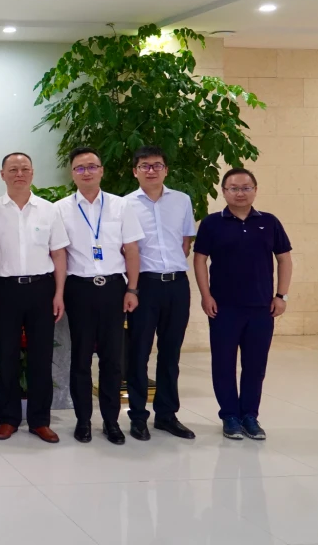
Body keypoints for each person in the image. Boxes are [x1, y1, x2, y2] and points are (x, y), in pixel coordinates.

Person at [193, 168, 292, 441]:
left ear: (255, 190)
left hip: (262, 307)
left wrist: (281, 296)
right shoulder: (212, 223)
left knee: (255, 365)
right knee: (223, 364)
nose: (240, 193)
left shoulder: (269, 222)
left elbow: (284, 258)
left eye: (246, 188)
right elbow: (200, 259)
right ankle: (230, 416)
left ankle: (250, 416)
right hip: (223, 307)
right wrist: (206, 295)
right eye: (234, 188)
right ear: (224, 192)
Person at [55, 147, 144, 445]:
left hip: (114, 288)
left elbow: (132, 250)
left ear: (101, 170)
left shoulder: (121, 206)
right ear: (72, 173)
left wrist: (132, 289)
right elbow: (59, 255)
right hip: (78, 288)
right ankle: (83, 420)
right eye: (80, 168)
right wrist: (59, 293)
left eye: (92, 166)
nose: (87, 172)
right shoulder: (60, 209)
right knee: (80, 358)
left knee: (112, 359)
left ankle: (111, 421)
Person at [0, 152, 68, 444]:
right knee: (6, 356)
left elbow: (58, 254)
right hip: (3, 289)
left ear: (32, 173)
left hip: (41, 289)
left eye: (24, 169)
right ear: (2, 174)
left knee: (41, 357)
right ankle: (8, 418)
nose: (19, 173)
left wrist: (59, 293)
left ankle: (40, 420)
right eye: (13, 169)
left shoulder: (49, 210)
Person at [125, 146, 198, 441]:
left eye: (157, 165)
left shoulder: (182, 200)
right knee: (139, 352)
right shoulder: (124, 205)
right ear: (135, 171)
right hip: (144, 286)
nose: (151, 170)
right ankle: (138, 416)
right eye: (144, 165)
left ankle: (166, 415)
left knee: (171, 353)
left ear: (166, 170)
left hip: (177, 285)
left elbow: (185, 242)